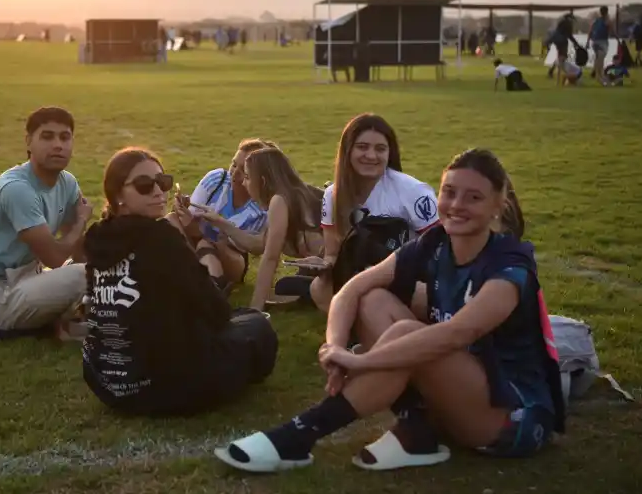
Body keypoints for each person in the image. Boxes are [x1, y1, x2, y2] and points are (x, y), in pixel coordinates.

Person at [215, 148, 565, 473]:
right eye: (449, 192)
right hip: (457, 390)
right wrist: (336, 347)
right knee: (373, 299)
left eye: (474, 197)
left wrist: (363, 362)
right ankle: (417, 429)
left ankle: (299, 435)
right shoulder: (436, 241)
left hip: (511, 419)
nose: (456, 205)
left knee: (410, 334)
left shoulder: (510, 264)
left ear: (497, 206)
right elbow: (352, 289)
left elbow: (458, 333)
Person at [81, 147, 278, 416]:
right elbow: (217, 311)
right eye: (144, 185)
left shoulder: (96, 239)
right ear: (117, 195)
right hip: (167, 388)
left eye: (162, 182)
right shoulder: (161, 237)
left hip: (107, 383)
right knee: (256, 326)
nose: (158, 192)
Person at [288, 114, 438, 313]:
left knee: (379, 296)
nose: (371, 155)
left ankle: (403, 336)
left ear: (389, 153)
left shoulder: (414, 192)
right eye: (362, 147)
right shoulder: (333, 194)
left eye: (380, 149)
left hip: (408, 275)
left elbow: (441, 249)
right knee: (318, 288)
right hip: (358, 273)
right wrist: (323, 267)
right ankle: (359, 334)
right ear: (347, 151)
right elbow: (333, 253)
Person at [0, 106, 90, 337]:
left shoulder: (67, 182)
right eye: (47, 137)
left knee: (96, 270)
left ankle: (75, 321)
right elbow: (55, 258)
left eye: (65, 137)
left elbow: (77, 249)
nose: (58, 145)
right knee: (83, 274)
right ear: (28, 142)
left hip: (30, 278)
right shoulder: (17, 188)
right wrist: (81, 221)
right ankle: (67, 327)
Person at [197, 147, 324, 310]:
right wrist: (221, 222)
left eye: (248, 177)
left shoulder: (279, 200)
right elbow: (260, 244)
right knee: (284, 287)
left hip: (339, 271)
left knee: (286, 287)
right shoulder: (296, 192)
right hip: (335, 267)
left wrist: (255, 309)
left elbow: (270, 257)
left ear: (263, 181)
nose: (243, 182)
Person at [168, 139, 275, 291]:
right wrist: (181, 208)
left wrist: (220, 224)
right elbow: (188, 222)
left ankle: (211, 289)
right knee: (171, 219)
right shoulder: (217, 179)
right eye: (233, 164)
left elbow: (257, 248)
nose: (234, 174)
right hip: (194, 241)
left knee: (207, 244)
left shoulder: (264, 205)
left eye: (243, 171)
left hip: (230, 256)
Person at [586, 6, 613, 85]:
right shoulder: (607, 21)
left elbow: (590, 31)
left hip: (595, 41)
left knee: (598, 58)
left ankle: (596, 74)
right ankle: (600, 76)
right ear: (607, 12)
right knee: (600, 59)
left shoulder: (596, 21)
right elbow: (612, 31)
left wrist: (588, 42)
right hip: (602, 42)